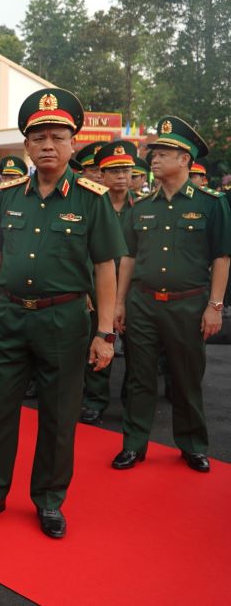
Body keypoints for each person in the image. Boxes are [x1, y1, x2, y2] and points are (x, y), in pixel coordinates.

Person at [0, 89, 125, 539]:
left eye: (57, 137)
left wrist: (105, 332)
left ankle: (49, 500)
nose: (48, 146)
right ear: (27, 147)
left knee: (57, 415)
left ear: (73, 143)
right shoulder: (10, 195)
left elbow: (105, 268)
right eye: (39, 138)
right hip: (10, 318)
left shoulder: (91, 199)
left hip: (64, 321)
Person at [112, 116, 230, 474]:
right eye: (154, 153)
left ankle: (192, 445)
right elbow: (129, 257)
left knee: (186, 377)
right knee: (139, 377)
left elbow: (221, 257)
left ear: (185, 160)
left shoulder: (211, 204)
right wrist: (119, 302)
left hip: (189, 304)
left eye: (164, 153)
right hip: (143, 302)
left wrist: (215, 306)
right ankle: (134, 444)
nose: (154, 159)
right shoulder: (142, 207)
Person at [79, 140, 138, 424]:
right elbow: (83, 252)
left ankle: (132, 401)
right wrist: (86, 288)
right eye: (114, 170)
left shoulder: (140, 208)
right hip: (96, 288)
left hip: (132, 291)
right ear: (101, 175)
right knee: (99, 342)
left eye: (126, 170)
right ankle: (95, 399)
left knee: (136, 350)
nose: (122, 176)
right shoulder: (91, 205)